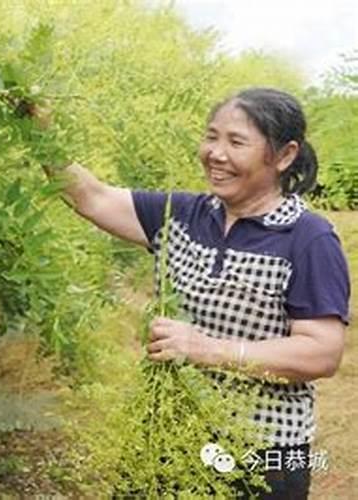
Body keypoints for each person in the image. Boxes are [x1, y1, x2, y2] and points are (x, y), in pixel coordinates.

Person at [49, 88, 349, 499]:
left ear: (283, 155)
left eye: (236, 142)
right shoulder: (182, 214)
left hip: (260, 459)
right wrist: (39, 129)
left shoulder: (307, 238)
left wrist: (207, 349)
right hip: (166, 438)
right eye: (211, 137)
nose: (216, 154)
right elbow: (92, 197)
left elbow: (321, 352)